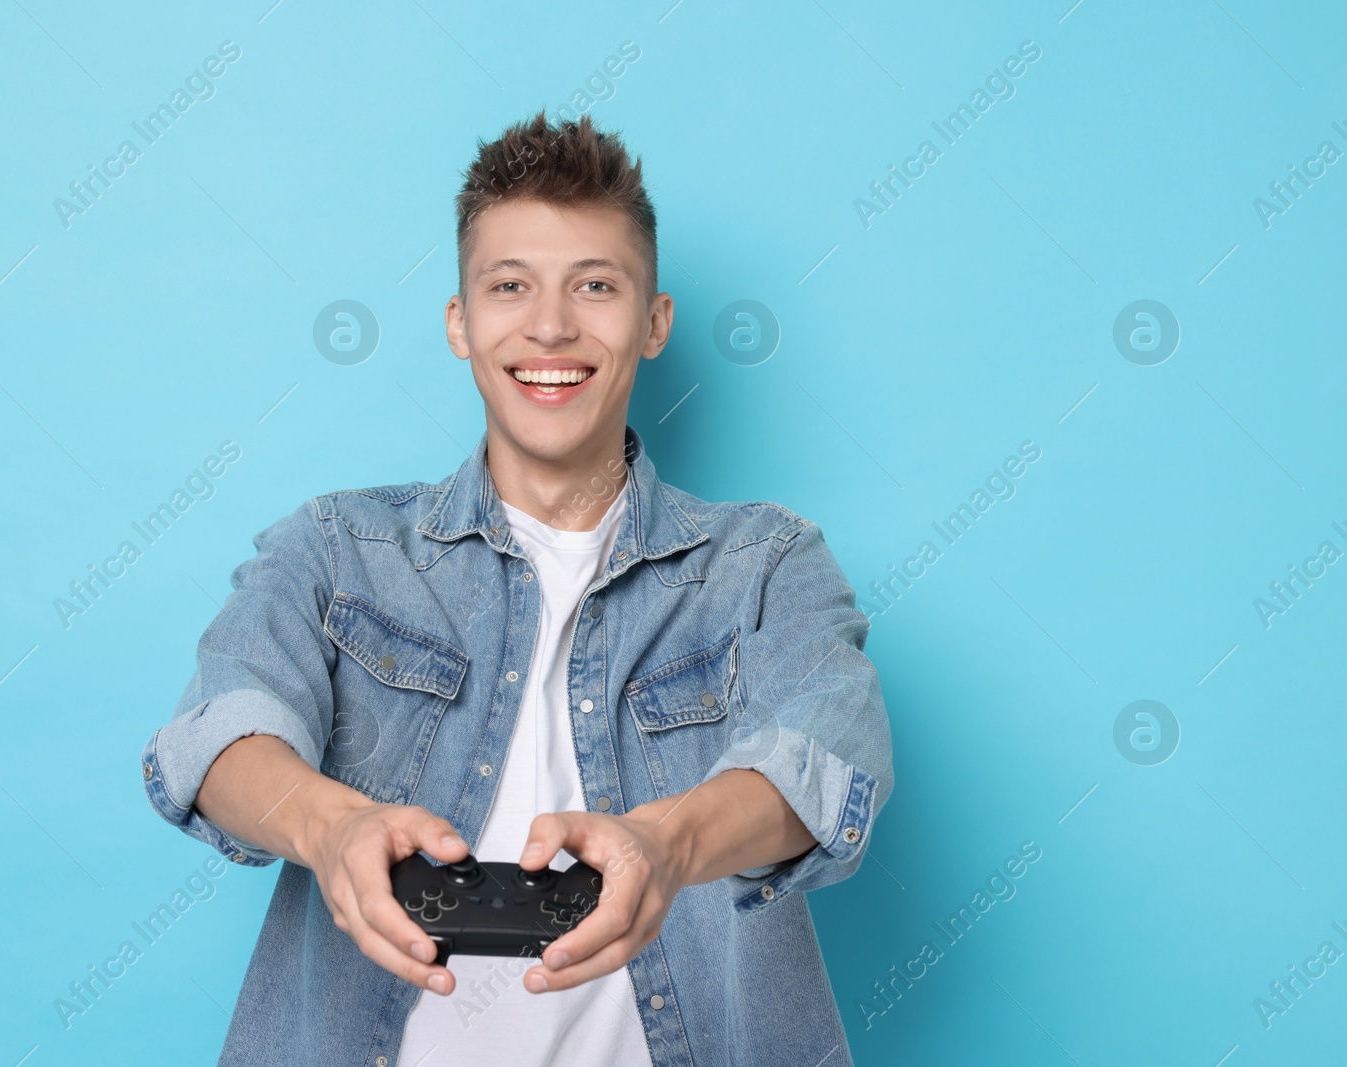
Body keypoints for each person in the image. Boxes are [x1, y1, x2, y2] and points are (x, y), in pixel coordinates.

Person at [141, 110, 893, 1067]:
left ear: (653, 320)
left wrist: (666, 843)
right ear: (460, 321)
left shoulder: (766, 563)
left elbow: (829, 760)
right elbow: (218, 727)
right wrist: (332, 829)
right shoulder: (338, 546)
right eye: (509, 286)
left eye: (595, 285)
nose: (549, 325)